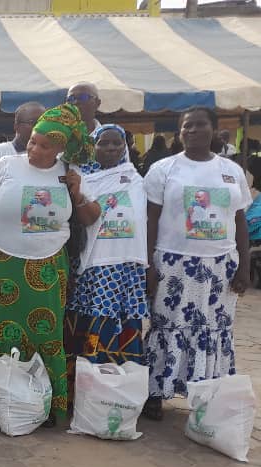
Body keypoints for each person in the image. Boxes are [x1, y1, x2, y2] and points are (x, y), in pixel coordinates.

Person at [0, 104, 98, 427]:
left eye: (44, 145)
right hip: (0, 262)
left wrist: (77, 194)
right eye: (33, 141)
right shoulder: (7, 165)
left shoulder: (69, 174)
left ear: (61, 148)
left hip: (48, 268)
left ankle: (42, 401)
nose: (35, 149)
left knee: (45, 332)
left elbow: (91, 217)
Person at [143, 107, 252, 420]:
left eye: (200, 125)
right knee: (166, 327)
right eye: (186, 127)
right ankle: (155, 392)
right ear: (179, 133)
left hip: (220, 268)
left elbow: (240, 221)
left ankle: (206, 394)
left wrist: (243, 266)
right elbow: (150, 219)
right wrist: (149, 266)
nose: (192, 131)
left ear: (215, 130)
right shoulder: (164, 169)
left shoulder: (231, 171)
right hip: (173, 266)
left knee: (213, 330)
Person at [65, 124, 148, 376]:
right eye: (103, 143)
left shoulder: (136, 179)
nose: (111, 148)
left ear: (125, 147)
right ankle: (90, 382)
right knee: (93, 322)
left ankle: (122, 384)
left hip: (126, 268)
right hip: (94, 267)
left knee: (123, 323)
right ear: (93, 147)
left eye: (117, 143)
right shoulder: (80, 179)